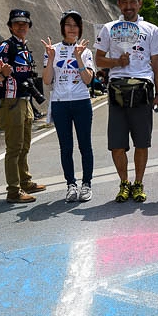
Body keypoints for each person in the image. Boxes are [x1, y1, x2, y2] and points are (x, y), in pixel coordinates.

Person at [94, 0, 158, 203]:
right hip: (117, 90)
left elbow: (156, 63)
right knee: (116, 144)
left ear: (140, 3)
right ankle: (124, 183)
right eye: (124, 1)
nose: (128, 5)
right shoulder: (109, 28)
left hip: (143, 88)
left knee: (142, 142)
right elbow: (98, 60)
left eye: (133, 1)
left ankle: (139, 183)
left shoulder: (151, 29)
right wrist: (116, 62)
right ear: (119, 5)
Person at [0, 9, 46, 203]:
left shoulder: (24, 47)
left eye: (24, 23)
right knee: (14, 148)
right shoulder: (6, 47)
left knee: (24, 145)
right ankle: (13, 191)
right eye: (17, 23)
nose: (21, 26)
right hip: (12, 100)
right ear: (10, 26)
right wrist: (2, 73)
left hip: (25, 100)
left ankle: (25, 181)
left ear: (29, 26)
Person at [41, 10, 95, 202]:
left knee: (85, 145)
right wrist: (50, 58)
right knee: (66, 147)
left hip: (81, 102)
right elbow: (47, 80)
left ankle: (86, 184)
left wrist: (79, 58)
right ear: (62, 27)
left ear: (80, 29)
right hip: (60, 104)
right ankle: (71, 184)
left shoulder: (85, 51)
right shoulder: (52, 49)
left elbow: (88, 80)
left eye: (76, 25)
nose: (72, 29)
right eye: (68, 25)